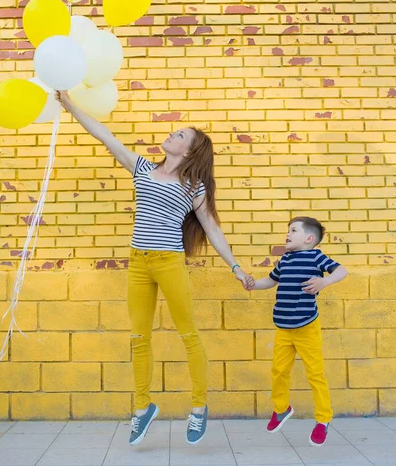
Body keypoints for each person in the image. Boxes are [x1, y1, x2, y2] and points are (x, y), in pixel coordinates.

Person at [55, 91, 253, 446]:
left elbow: (212, 229)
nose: (172, 135)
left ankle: (198, 407)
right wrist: (70, 106)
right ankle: (143, 407)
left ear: (189, 151)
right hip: (138, 262)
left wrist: (236, 267)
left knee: (188, 333)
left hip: (169, 261)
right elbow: (105, 136)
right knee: (138, 337)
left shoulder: (195, 185)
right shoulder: (143, 168)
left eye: (180, 135)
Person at [247, 216, 347, 447]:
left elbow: (342, 271)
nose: (287, 234)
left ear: (309, 238)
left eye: (293, 230)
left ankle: (323, 419)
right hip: (283, 327)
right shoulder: (285, 259)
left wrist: (325, 282)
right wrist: (253, 284)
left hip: (306, 326)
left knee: (315, 374)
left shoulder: (316, 256)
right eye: (287, 230)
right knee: (279, 371)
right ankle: (281, 409)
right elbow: (270, 281)